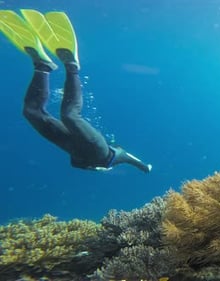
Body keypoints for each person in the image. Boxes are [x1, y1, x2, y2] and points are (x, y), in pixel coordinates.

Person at [0, 9, 152, 173]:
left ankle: (42, 67)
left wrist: (94, 168)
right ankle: (71, 67)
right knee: (70, 116)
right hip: (98, 152)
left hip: (72, 148)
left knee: (31, 112)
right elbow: (132, 159)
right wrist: (145, 167)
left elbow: (74, 164)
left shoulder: (85, 163)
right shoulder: (117, 154)